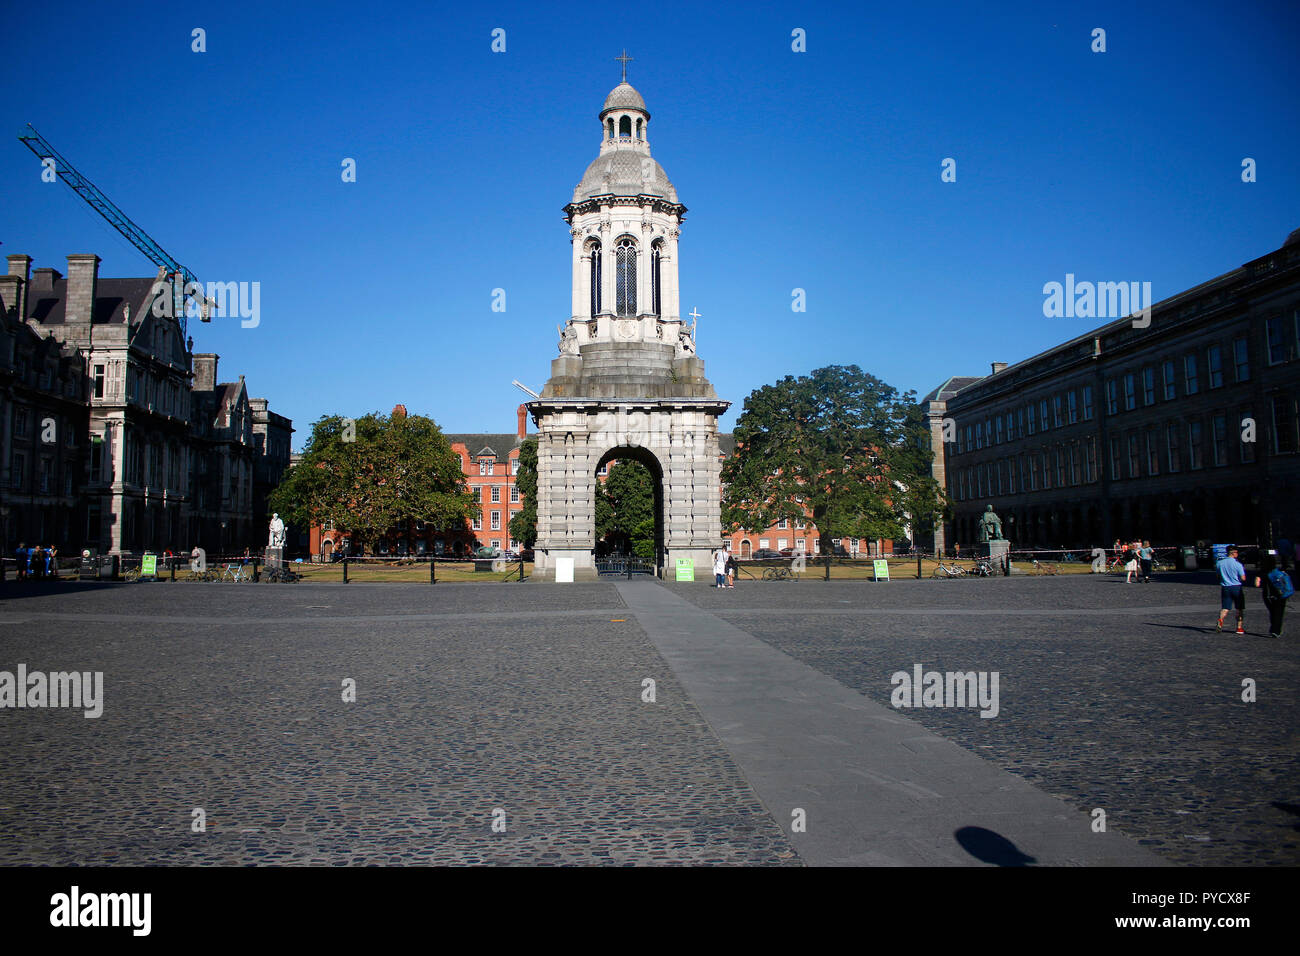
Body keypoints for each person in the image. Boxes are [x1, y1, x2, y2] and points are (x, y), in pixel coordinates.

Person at [1256, 552, 1293, 639]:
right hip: (1280, 595)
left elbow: (1257, 584)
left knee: (1272, 612)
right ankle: (1276, 630)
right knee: (1279, 613)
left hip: (1268, 595)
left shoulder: (1262, 572)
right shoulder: (1278, 572)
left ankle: (1274, 628)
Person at [1216, 546, 1247, 634]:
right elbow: (1243, 578)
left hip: (1225, 587)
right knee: (1239, 608)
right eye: (1236, 552)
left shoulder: (1219, 563)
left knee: (1225, 608)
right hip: (1236, 587)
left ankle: (1220, 620)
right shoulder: (1238, 564)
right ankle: (1239, 628)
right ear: (1233, 553)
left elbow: (1218, 576)